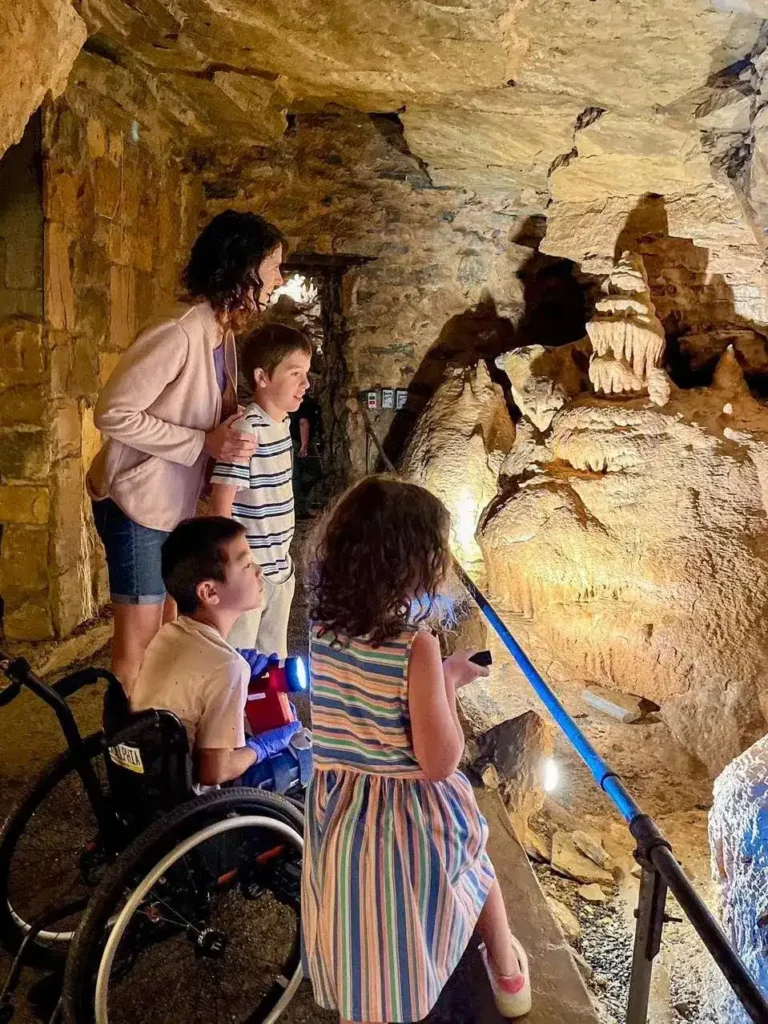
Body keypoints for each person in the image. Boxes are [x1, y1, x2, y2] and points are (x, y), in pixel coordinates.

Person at [301, 477, 532, 1023]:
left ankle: (368, 994)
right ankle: (506, 969)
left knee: (362, 915)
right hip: (407, 813)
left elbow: (353, 719)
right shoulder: (415, 646)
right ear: (414, 564)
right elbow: (439, 761)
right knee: (474, 851)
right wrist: (448, 683)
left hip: (342, 813)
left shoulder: (322, 630)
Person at [88, 210, 286, 693]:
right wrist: (204, 442)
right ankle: (132, 758)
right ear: (242, 268)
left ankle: (166, 738)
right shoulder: (178, 330)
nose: (280, 279)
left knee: (169, 637)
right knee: (136, 650)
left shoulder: (223, 332)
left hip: (169, 508)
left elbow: (201, 412)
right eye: (274, 266)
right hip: (137, 505)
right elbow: (113, 413)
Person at [130, 516, 298, 788]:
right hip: (193, 803)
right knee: (298, 759)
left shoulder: (169, 635)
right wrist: (263, 747)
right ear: (209, 592)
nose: (258, 570)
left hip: (149, 783)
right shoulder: (227, 666)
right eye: (245, 564)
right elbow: (213, 772)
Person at [208, 322, 312, 656]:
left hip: (280, 571)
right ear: (262, 377)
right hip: (250, 572)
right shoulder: (246, 431)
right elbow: (221, 502)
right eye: (295, 373)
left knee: (273, 664)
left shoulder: (282, 425)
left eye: (306, 373)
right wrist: (232, 567)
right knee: (239, 664)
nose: (305, 384)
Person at [289, 388, 323, 519]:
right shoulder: (306, 403)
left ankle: (298, 504)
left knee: (295, 477)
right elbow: (304, 423)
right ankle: (298, 500)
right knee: (316, 472)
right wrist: (304, 445)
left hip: (291, 441)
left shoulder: (293, 401)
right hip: (300, 442)